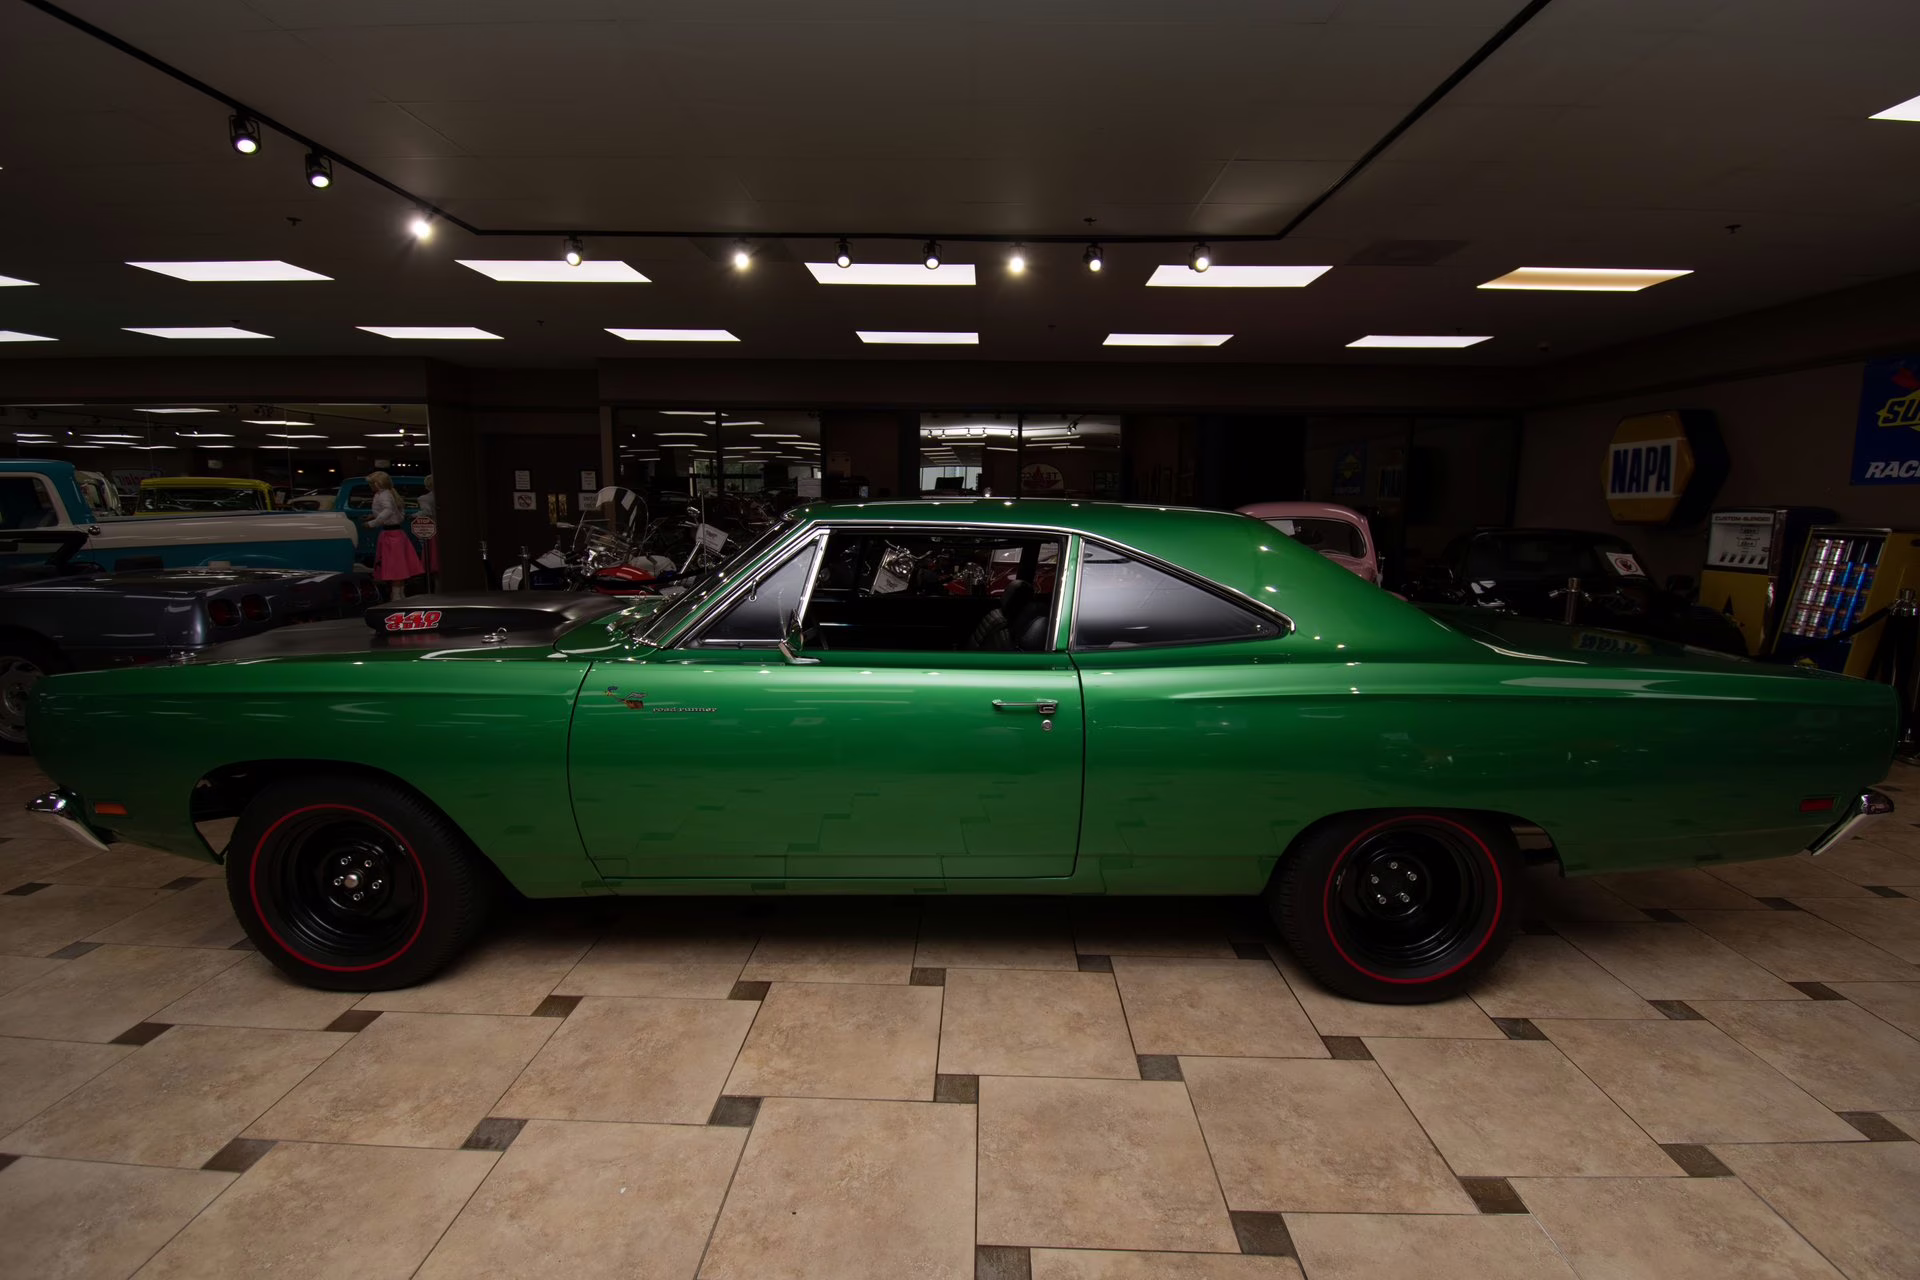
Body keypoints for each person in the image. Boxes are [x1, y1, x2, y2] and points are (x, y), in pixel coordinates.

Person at [368, 471, 422, 600]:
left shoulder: (384, 495)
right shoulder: (390, 494)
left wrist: (372, 523)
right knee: (400, 566)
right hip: (396, 534)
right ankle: (400, 593)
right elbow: (397, 512)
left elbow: (388, 510)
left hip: (391, 536)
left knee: (395, 567)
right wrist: (375, 516)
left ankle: (396, 595)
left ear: (377, 483)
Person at [416, 474, 438, 577]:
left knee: (434, 557)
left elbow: (427, 512)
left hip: (433, 529)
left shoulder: (424, 498)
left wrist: (413, 515)